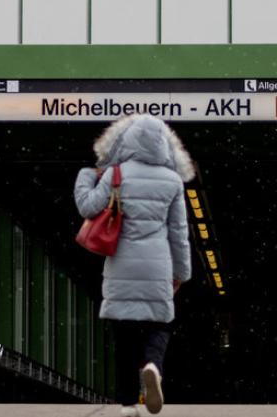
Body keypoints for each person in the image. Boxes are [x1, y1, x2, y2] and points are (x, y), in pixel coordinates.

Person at [74, 114, 194, 416]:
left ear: (128, 141)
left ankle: (128, 403)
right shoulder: (172, 181)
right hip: (158, 265)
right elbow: (179, 233)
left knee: (125, 335)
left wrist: (87, 176)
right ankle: (153, 365)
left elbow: (88, 206)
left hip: (121, 265)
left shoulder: (117, 173)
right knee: (159, 326)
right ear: (163, 145)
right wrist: (181, 273)